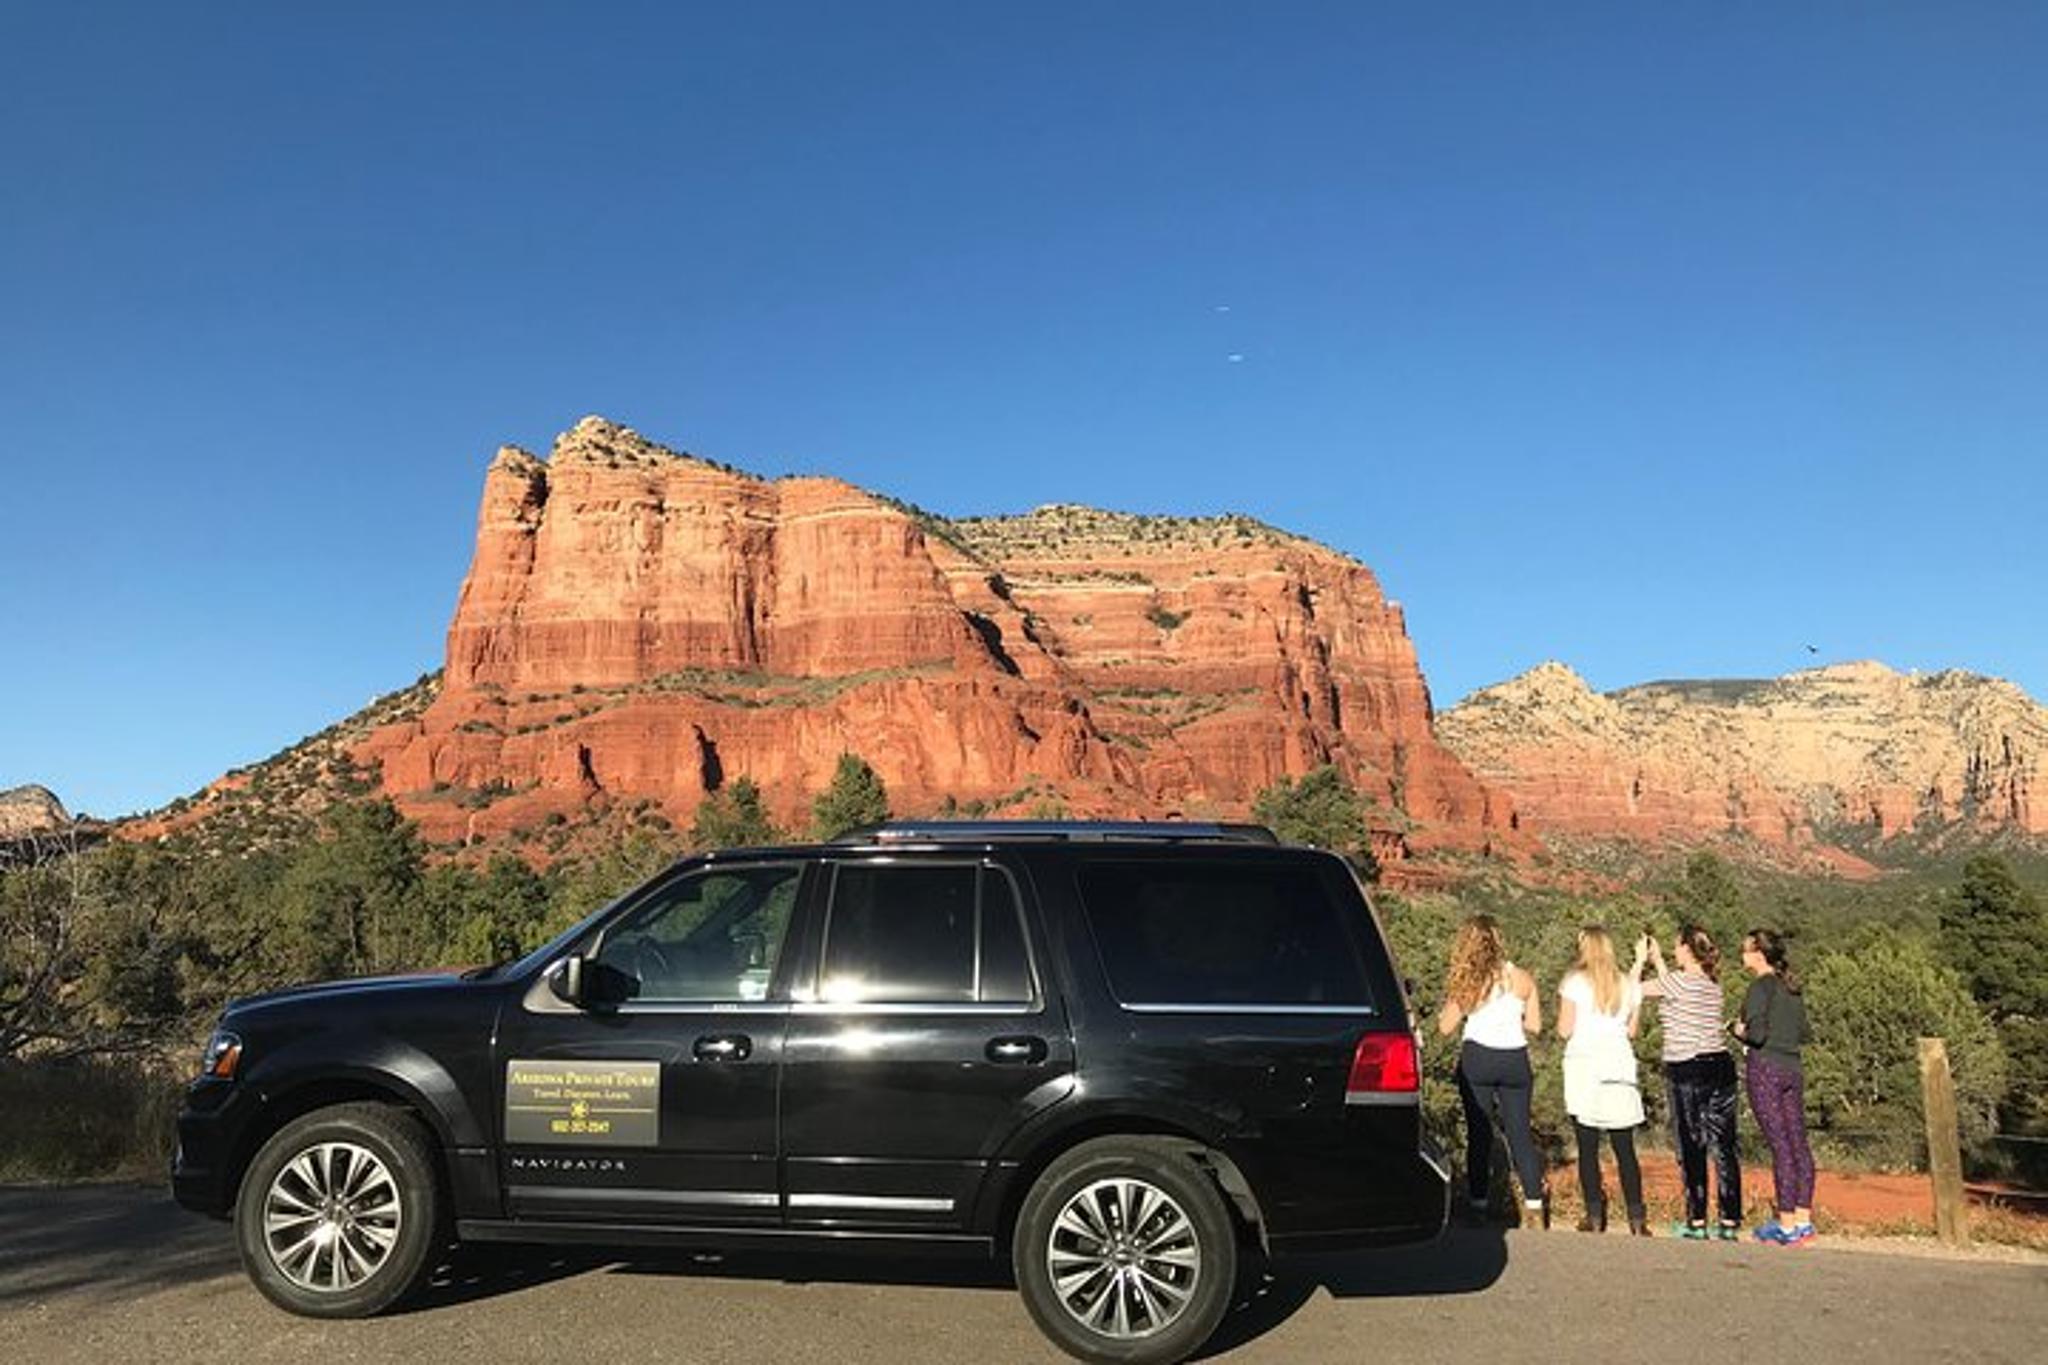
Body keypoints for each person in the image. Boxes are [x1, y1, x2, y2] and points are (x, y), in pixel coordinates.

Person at [1437, 915, 1548, 1227]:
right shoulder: (1523, 978)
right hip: (1515, 1059)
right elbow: (1535, 1025)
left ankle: (1479, 1205)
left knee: (1479, 1133)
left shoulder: (1469, 980)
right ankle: (1535, 1207)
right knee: (1520, 1135)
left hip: (1478, 1059)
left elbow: (1445, 1027)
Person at [1641, 924, 1743, 1239]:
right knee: (1724, 1145)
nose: (1673, 951)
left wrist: (1640, 961)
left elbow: (1634, 990)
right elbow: (1674, 991)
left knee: (1691, 1144)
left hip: (1687, 1068)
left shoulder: (1676, 983)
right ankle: (1729, 1220)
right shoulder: (1712, 985)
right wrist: (1659, 961)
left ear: (1686, 948)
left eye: (1676, 946)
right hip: (1720, 1066)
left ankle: (1696, 1220)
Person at [1556, 925, 1649, 1235]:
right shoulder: (1629, 985)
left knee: (1587, 1146)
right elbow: (1632, 1031)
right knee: (1625, 1147)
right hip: (1618, 1063)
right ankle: (1637, 1217)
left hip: (1584, 1064)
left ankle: (1594, 1215)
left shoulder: (1574, 982)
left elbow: (1564, 1029)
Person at [1735, 926, 1816, 1245]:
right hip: (1792, 1067)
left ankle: (1785, 1224)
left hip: (1766, 1069)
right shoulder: (1791, 987)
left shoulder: (1760, 987)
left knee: (1780, 1146)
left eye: (1745, 948)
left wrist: (1737, 1029)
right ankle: (1803, 1219)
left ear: (1758, 953)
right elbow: (1804, 1032)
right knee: (1798, 1143)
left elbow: (1756, 1035)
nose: (1741, 953)